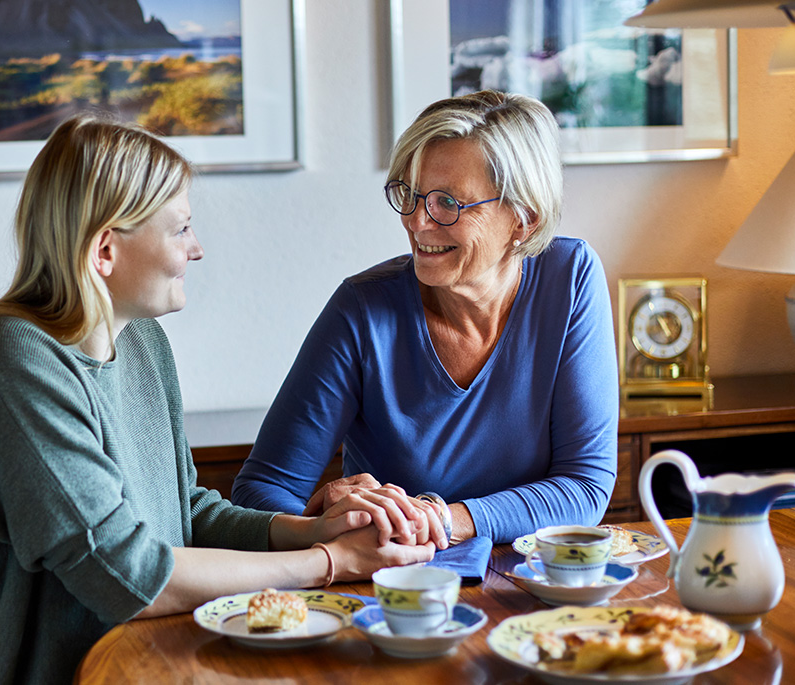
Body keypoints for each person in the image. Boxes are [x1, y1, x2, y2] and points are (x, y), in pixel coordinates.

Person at [0, 114, 435, 685]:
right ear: (104, 250)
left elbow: (186, 513)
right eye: (180, 229)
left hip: (163, 657)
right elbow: (127, 576)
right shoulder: (9, 357)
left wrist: (313, 530)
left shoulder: (142, 341)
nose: (196, 250)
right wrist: (331, 564)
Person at [231, 90, 619, 546]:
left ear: (522, 220)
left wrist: (441, 519)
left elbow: (585, 486)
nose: (417, 222)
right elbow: (259, 493)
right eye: (410, 196)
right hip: (396, 591)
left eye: (447, 204)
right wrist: (322, 522)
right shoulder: (362, 309)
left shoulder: (570, 278)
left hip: (526, 583)